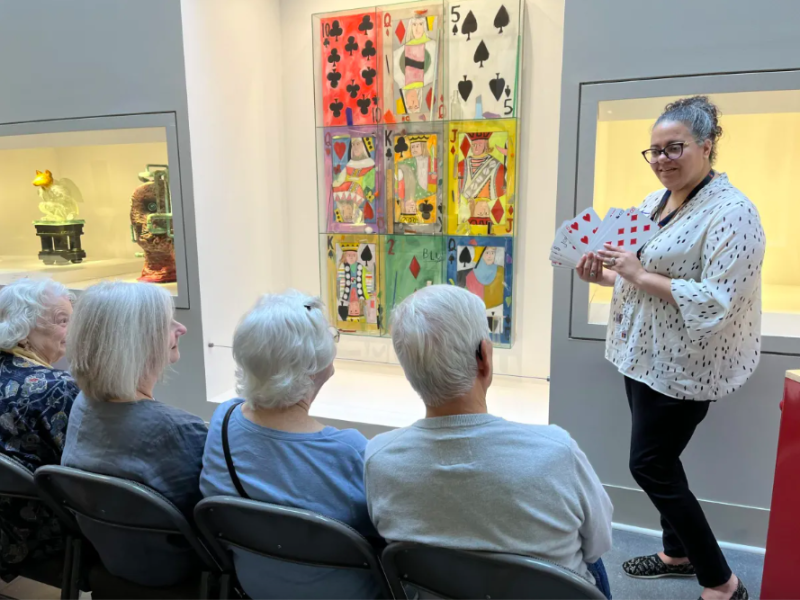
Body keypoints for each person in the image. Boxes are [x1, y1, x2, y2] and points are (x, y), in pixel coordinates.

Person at [577, 96, 765, 600]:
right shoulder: (650, 202)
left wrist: (640, 273)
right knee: (662, 461)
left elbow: (720, 300)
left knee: (651, 465)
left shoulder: (734, 213)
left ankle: (722, 581)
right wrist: (598, 268)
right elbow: (623, 262)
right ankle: (675, 553)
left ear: (707, 146)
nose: (662, 159)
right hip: (640, 354)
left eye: (674, 147)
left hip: (686, 365)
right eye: (654, 150)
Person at [364, 284, 613, 599]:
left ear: (408, 369)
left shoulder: (379, 457)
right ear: (484, 356)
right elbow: (599, 544)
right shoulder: (556, 452)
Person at [201, 291, 382, 600]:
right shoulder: (349, 450)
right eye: (330, 335)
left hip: (256, 588)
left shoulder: (223, 421)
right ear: (311, 363)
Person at [62, 281, 207, 587]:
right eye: (167, 323)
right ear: (138, 340)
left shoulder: (82, 405)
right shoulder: (180, 429)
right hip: (177, 572)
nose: (181, 328)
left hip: (113, 559)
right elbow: (211, 522)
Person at [0, 279, 78, 582]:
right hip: (28, 530)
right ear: (23, 327)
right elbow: (80, 467)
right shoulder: (54, 387)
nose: (71, 331)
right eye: (62, 321)